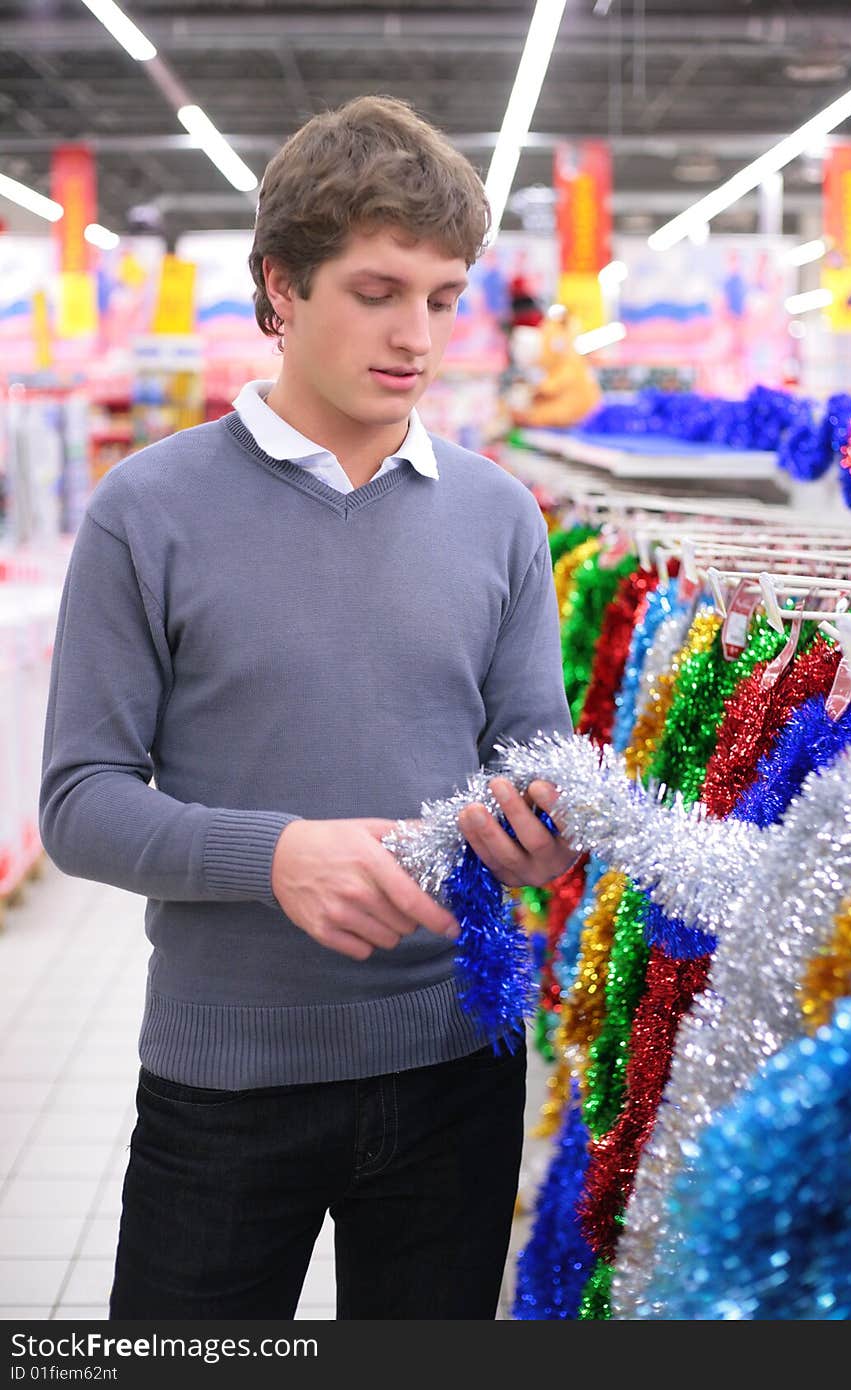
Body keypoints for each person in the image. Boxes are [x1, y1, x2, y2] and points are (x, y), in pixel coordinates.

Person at [39, 95, 576, 1321]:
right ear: (278, 288)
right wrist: (271, 853)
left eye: (443, 297)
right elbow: (78, 804)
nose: (418, 335)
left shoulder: (499, 516)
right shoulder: (149, 510)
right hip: (226, 1081)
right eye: (378, 291)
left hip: (457, 1066)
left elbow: (531, 757)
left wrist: (547, 834)